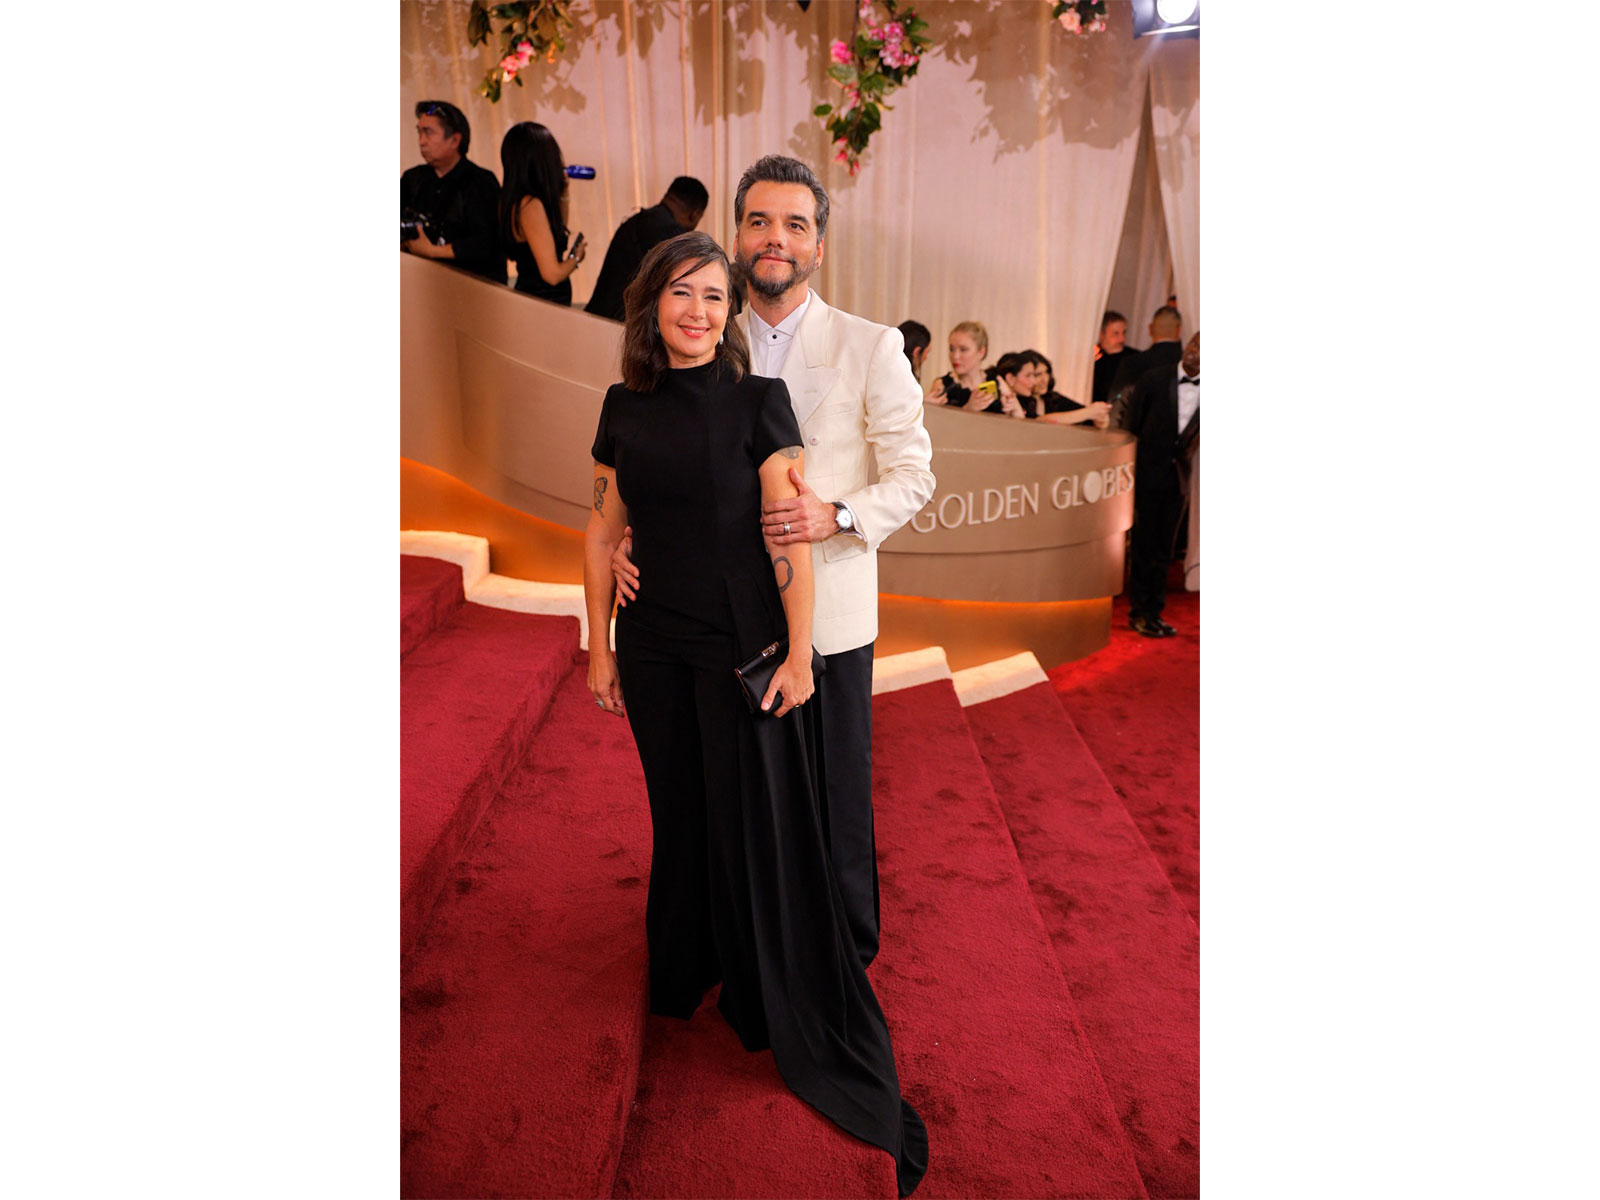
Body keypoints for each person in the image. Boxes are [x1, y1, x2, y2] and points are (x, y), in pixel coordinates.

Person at [584, 231, 928, 1197]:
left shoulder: (756, 401)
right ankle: (682, 961)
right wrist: (600, 643)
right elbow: (602, 526)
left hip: (740, 646)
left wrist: (801, 655)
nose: (695, 310)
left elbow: (789, 534)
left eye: (710, 295)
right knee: (679, 813)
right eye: (678, 293)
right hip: (651, 649)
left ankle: (756, 981)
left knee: (748, 823)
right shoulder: (621, 405)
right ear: (649, 304)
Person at [613, 154, 935, 975]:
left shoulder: (870, 346)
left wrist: (838, 513)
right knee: (739, 801)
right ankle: (747, 943)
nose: (775, 239)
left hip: (822, 617)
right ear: (736, 234)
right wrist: (630, 540)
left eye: (796, 224)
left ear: (819, 245)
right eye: (759, 221)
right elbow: (661, 460)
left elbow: (914, 474)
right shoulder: (700, 334)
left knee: (830, 798)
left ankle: (841, 955)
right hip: (713, 621)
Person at [1123, 331, 1199, 637]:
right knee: (1143, 547)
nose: (1195, 352)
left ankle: (1155, 612)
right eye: (1194, 344)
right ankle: (1138, 613)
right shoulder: (1153, 379)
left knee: (1165, 551)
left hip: (1178, 479)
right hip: (1144, 475)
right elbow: (1131, 427)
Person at [400, 100, 506, 284]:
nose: (421, 141)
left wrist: (431, 251)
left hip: (474, 288)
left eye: (428, 133)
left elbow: (487, 243)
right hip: (421, 285)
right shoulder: (412, 179)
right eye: (419, 132)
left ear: (455, 140)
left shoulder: (481, 182)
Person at [583, 176, 709, 321]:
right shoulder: (674, 238)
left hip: (595, 318)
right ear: (695, 214)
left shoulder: (635, 221)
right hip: (620, 330)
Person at [500, 121, 587, 303]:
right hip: (543, 303)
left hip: (534, 298)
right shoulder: (530, 206)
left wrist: (563, 191)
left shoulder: (512, 201)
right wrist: (576, 258)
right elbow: (552, 275)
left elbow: (557, 232)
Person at [1109, 303, 1183, 420]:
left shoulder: (1132, 363)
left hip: (1139, 434)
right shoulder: (1186, 364)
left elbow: (1117, 405)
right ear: (1179, 330)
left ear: (1150, 329)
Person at [1033, 352, 1111, 428]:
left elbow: (1085, 414)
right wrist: (1089, 412)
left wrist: (1100, 419)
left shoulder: (1053, 397)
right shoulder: (1023, 401)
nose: (1045, 380)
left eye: (1046, 372)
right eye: (1038, 374)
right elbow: (1038, 421)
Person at [924, 320, 992, 408]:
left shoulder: (997, 383)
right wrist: (968, 408)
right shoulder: (942, 385)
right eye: (952, 349)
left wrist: (1015, 409)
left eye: (963, 349)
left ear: (981, 352)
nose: (955, 356)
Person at [1091, 311, 1133, 409]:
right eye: (1116, 333)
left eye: (1124, 333)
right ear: (1101, 334)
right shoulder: (1092, 358)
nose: (1122, 339)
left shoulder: (1133, 358)